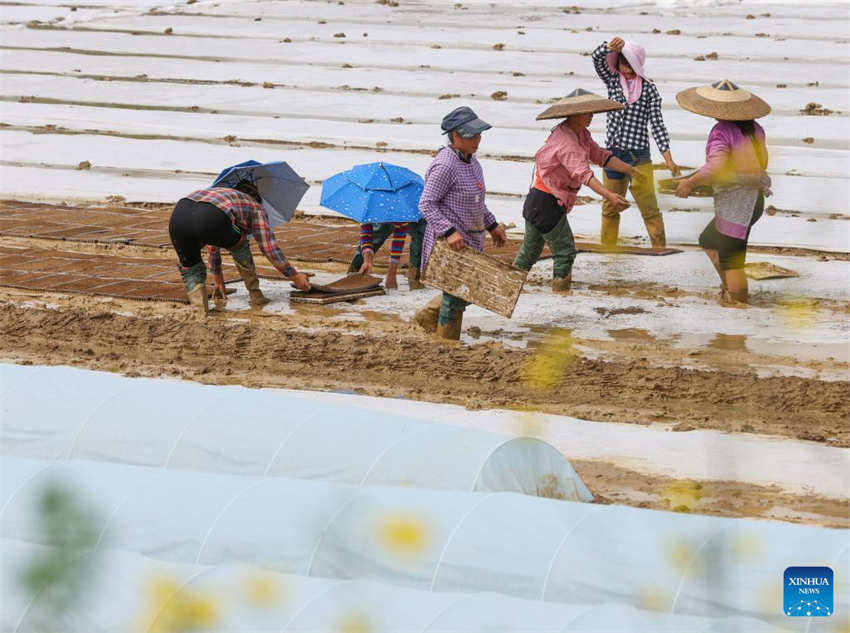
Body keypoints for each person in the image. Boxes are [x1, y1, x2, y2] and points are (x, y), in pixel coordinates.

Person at [513, 89, 641, 291]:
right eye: (587, 113)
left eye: (592, 113)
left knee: (529, 252)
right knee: (565, 251)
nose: (591, 116)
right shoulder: (567, 142)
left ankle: (509, 287)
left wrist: (629, 169)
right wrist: (609, 195)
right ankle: (561, 295)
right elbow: (584, 174)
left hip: (539, 201)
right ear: (575, 114)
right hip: (546, 202)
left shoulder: (581, 134)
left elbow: (600, 155)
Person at [413, 106, 507, 340]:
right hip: (450, 243)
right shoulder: (444, 165)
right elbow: (426, 204)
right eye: (472, 135)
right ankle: (447, 340)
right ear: (456, 136)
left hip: (472, 240)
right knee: (457, 293)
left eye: (479, 134)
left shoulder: (472, 162)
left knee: (468, 289)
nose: (478, 139)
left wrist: (492, 225)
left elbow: (477, 201)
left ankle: (428, 315)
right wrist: (449, 231)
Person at [674, 80, 771, 305]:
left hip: (736, 205)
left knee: (732, 260)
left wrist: (690, 183)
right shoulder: (755, 128)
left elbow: (716, 167)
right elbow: (763, 161)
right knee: (708, 239)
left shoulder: (721, 131)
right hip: (754, 201)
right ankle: (730, 290)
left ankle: (739, 306)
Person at [168, 181, 311, 316]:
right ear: (257, 197)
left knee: (191, 268)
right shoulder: (255, 206)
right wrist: (294, 276)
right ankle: (255, 295)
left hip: (179, 216)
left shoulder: (219, 194)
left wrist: (218, 280)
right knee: (240, 242)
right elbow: (269, 248)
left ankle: (200, 311)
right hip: (211, 218)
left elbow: (213, 243)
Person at [592, 37, 680, 248]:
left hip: (639, 158)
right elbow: (596, 60)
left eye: (630, 63)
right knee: (610, 208)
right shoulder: (612, 81)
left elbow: (657, 126)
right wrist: (608, 47)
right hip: (612, 156)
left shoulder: (649, 89)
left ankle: (660, 250)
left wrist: (669, 159)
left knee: (649, 208)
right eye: (622, 61)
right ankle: (608, 253)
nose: (625, 67)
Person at [348, 218, 427, 289]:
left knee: (420, 235)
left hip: (414, 215)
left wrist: (392, 273)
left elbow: (399, 237)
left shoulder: (402, 211)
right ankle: (355, 271)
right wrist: (367, 257)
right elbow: (366, 233)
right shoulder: (369, 207)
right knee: (379, 230)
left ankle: (414, 278)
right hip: (385, 211)